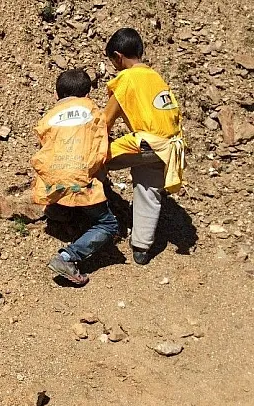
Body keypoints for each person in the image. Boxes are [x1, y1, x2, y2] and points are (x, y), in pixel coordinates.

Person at [104, 28, 186, 265]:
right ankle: (141, 247)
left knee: (95, 159)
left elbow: (105, 121)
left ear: (118, 56)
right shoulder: (155, 77)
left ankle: (94, 218)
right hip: (169, 147)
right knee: (149, 188)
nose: (114, 66)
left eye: (113, 61)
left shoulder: (127, 79)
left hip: (147, 142)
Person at [31, 69, 119, 285]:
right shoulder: (93, 111)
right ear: (87, 94)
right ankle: (67, 257)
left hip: (52, 182)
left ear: (56, 94)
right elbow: (99, 151)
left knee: (61, 184)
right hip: (79, 179)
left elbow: (45, 148)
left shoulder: (48, 117)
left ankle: (58, 211)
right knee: (108, 225)